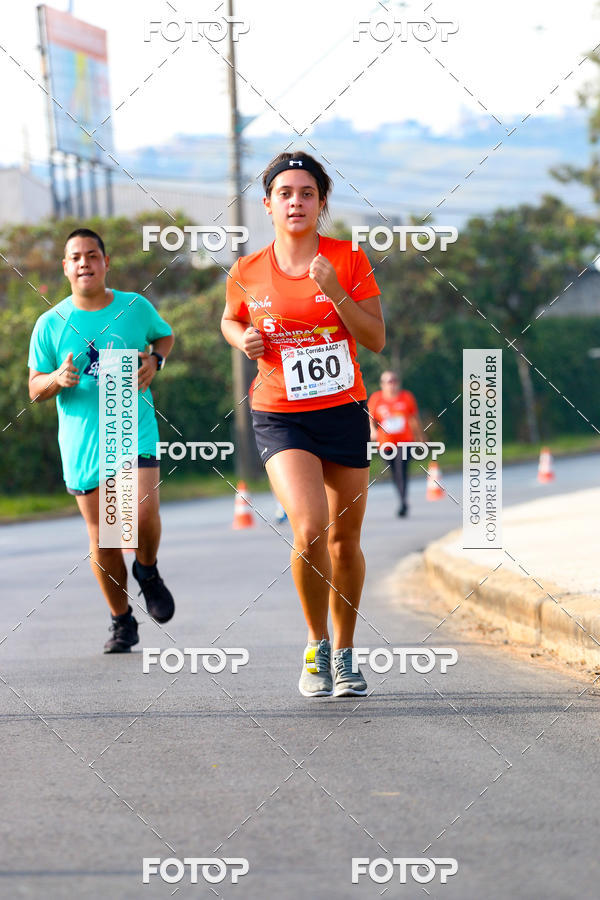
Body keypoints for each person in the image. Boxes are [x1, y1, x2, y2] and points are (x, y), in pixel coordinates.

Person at [221, 151, 384, 698]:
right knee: (310, 527)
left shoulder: (350, 259)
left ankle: (345, 653)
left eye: (307, 192)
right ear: (267, 205)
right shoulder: (246, 270)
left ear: (322, 202)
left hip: (343, 412)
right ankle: (316, 647)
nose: (296, 201)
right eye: (285, 193)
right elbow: (231, 317)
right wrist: (239, 338)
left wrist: (335, 289)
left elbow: (376, 338)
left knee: (344, 541)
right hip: (280, 414)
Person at [28, 228, 176, 653]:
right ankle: (122, 620)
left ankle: (146, 571)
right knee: (106, 538)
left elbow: (163, 336)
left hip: (133, 428)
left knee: (142, 513)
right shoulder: (50, 323)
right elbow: (34, 387)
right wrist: (57, 378)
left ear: (105, 262)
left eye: (92, 256)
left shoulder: (134, 306)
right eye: (75, 257)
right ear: (65, 267)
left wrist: (155, 360)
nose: (84, 264)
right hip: (84, 444)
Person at [368, 372, 425, 517]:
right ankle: (402, 498)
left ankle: (403, 501)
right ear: (382, 384)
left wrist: (420, 436)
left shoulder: (406, 397)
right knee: (394, 472)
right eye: (387, 381)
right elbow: (369, 418)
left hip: (404, 442)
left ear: (398, 383)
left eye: (393, 381)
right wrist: (373, 431)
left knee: (402, 471)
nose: (391, 384)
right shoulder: (377, 399)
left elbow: (413, 418)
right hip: (386, 444)